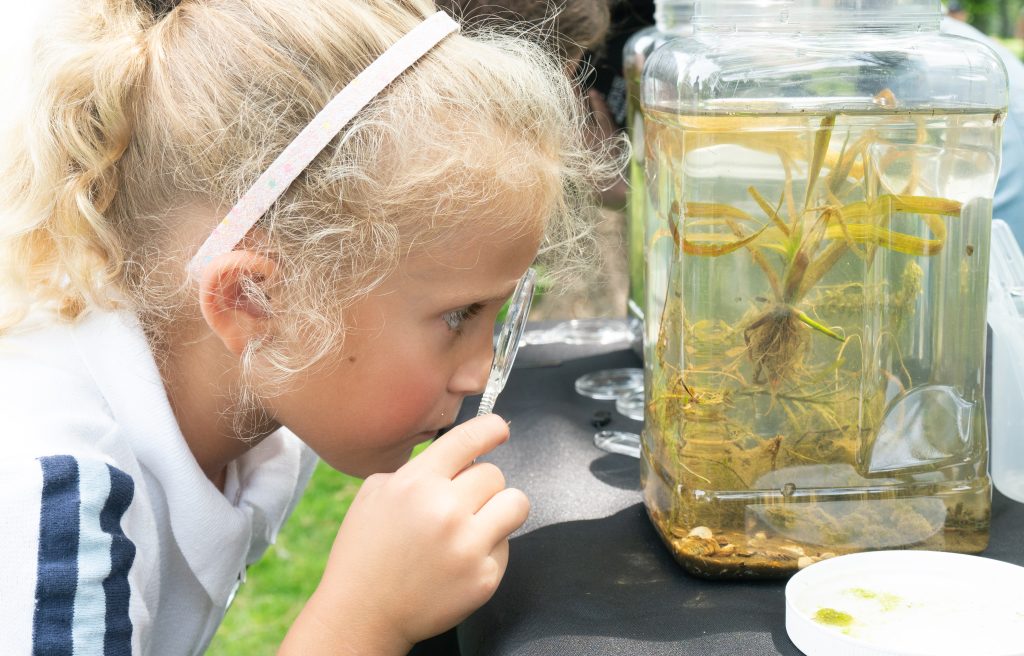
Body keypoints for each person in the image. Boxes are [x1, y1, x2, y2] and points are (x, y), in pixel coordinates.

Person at [0, 0, 609, 653]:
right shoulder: (55, 507)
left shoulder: (267, 413)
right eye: (459, 315)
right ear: (253, 300)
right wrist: (361, 619)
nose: (481, 369)